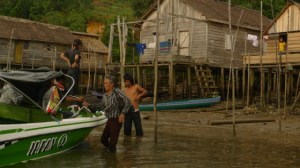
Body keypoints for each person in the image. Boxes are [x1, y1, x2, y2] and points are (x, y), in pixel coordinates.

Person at [98, 75, 131, 152]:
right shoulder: (105, 95)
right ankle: (110, 155)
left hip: (117, 119)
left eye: (106, 83)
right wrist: (89, 105)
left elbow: (128, 101)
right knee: (103, 139)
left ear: (112, 84)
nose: (105, 85)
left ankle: (112, 160)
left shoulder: (116, 91)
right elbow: (101, 105)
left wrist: (123, 113)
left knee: (113, 143)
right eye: (104, 83)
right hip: (110, 119)